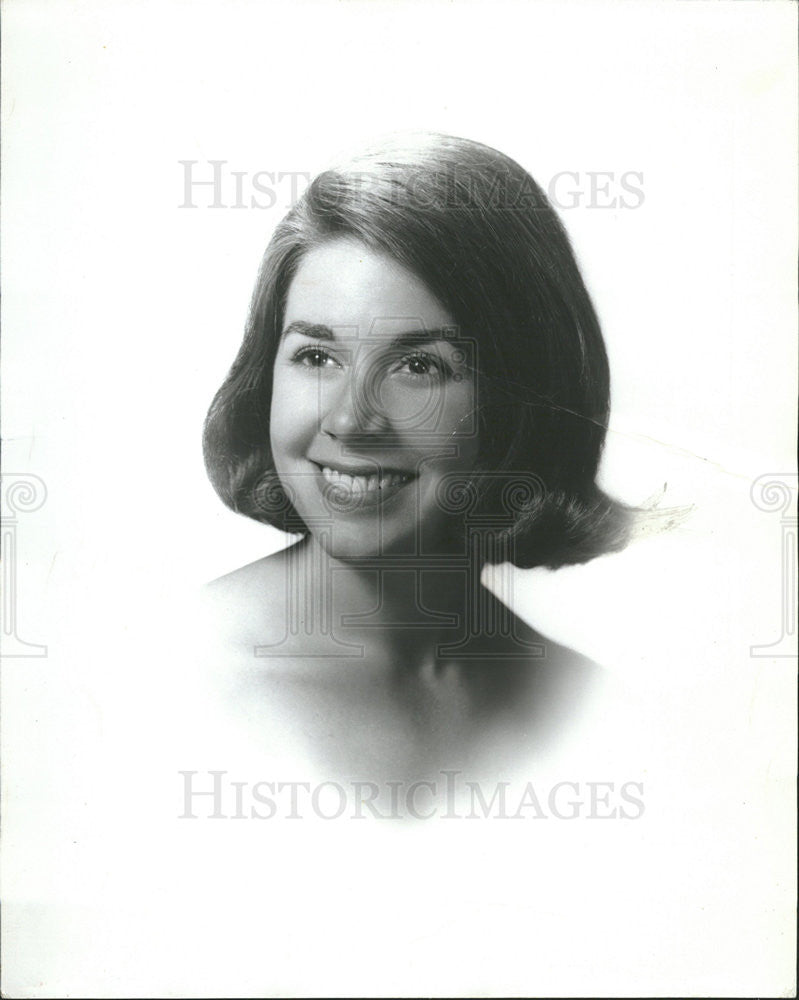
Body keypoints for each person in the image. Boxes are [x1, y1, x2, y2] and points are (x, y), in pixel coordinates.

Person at [201, 133, 632, 781]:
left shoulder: (593, 709)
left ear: (518, 400)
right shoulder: (164, 676)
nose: (350, 420)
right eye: (316, 357)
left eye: (418, 366)